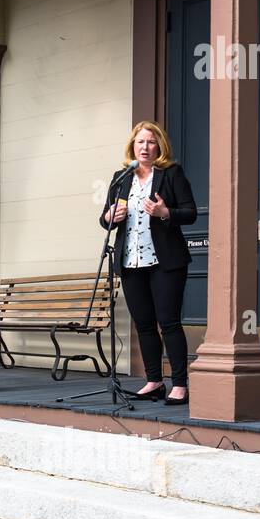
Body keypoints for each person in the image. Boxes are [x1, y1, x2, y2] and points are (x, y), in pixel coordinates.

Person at [99, 120, 196, 406]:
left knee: (169, 322)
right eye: (140, 142)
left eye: (151, 142)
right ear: (133, 146)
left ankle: (179, 383)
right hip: (130, 262)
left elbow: (190, 212)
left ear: (159, 147)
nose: (145, 147)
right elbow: (105, 216)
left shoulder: (171, 174)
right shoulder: (121, 177)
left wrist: (166, 212)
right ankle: (154, 381)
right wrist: (109, 218)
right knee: (143, 324)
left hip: (164, 261)